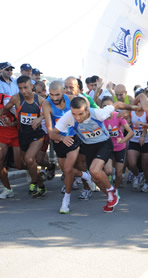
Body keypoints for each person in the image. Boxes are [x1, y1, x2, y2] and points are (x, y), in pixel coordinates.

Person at [51, 97, 132, 212]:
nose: (77, 118)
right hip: (89, 146)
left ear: (87, 110)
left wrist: (134, 108)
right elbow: (53, 134)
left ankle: (111, 190)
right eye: (74, 114)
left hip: (104, 143)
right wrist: (62, 137)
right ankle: (110, 197)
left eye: (80, 114)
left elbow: (117, 104)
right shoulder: (69, 116)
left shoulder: (99, 114)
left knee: (94, 170)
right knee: (95, 178)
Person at [42, 81, 96, 213]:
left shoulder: (71, 100)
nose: (54, 98)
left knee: (68, 169)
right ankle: (86, 176)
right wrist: (61, 138)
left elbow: (87, 113)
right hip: (59, 140)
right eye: (52, 94)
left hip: (74, 138)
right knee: (68, 171)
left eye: (57, 94)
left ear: (63, 92)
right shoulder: (46, 103)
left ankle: (66, 201)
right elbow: (50, 131)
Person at [0, 75, 48, 197]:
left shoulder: (41, 100)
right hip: (23, 135)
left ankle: (34, 182)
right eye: (20, 88)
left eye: (25, 87)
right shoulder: (16, 98)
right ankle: (41, 186)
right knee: (27, 163)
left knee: (30, 159)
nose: (23, 91)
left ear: (32, 86)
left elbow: (49, 112)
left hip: (37, 134)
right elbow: (5, 109)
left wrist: (40, 118)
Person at [102, 96, 134, 191]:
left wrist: (123, 140)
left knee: (119, 174)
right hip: (107, 147)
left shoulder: (118, 116)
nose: (106, 108)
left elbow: (131, 132)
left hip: (119, 147)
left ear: (113, 107)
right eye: (104, 106)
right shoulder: (100, 118)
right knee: (108, 171)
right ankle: (109, 186)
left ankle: (115, 190)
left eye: (109, 106)